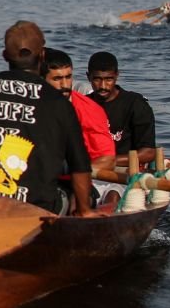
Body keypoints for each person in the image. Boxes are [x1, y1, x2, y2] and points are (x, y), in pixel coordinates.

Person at [0, 21, 95, 216]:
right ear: (42, 55)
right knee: (70, 196)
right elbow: (79, 163)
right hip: (38, 207)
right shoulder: (58, 102)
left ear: (4, 56)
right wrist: (85, 211)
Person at [42, 48, 118, 203]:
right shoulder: (26, 103)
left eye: (68, 77)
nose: (65, 85)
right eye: (57, 79)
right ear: (41, 79)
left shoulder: (90, 110)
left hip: (73, 184)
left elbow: (107, 160)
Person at [85, 51, 157, 168]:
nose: (103, 86)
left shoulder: (136, 104)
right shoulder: (82, 105)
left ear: (117, 75)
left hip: (125, 172)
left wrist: (108, 162)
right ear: (88, 77)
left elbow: (148, 153)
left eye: (109, 79)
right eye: (97, 79)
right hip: (88, 170)